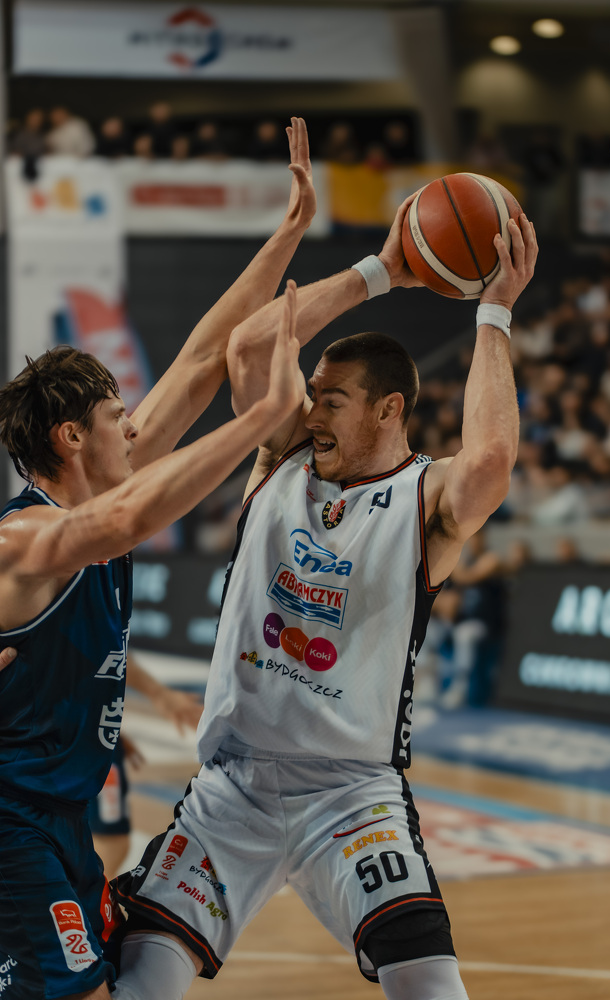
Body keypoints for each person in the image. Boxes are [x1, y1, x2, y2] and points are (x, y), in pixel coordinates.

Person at [112, 155, 538, 998]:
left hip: (351, 798)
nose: (309, 411)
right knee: (138, 982)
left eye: (331, 399)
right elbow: (248, 344)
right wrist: (381, 269)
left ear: (388, 410)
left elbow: (490, 460)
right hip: (228, 792)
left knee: (432, 989)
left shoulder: (425, 498)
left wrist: (492, 313)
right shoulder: (279, 457)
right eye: (311, 394)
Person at [0, 117, 315, 1000]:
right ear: (71, 438)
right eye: (116, 419)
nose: (134, 430)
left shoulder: (100, 500)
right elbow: (131, 515)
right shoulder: (25, 539)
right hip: (10, 818)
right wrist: (260, 423)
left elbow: (208, 356)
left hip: (59, 816)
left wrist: (299, 236)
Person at [88, 651, 203, 878]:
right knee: (109, 845)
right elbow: (112, 651)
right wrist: (159, 694)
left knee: (104, 845)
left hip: (83, 732)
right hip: (82, 737)